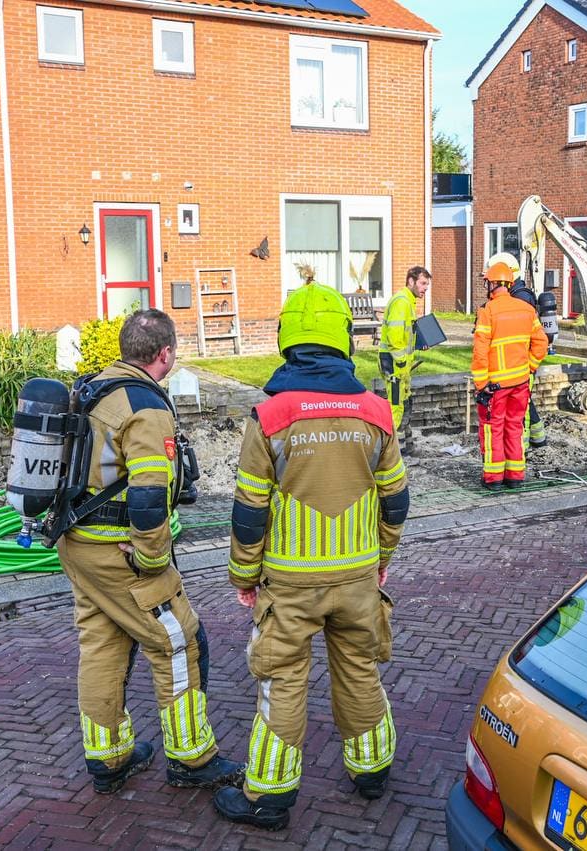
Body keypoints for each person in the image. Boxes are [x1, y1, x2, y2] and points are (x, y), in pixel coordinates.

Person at [214, 282, 409, 831]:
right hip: (356, 580)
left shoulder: (270, 415)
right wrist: (381, 558)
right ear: (343, 339)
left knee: (282, 680)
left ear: (286, 339)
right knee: (359, 670)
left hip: (291, 585)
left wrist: (243, 574)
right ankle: (371, 771)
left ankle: (269, 797)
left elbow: (249, 510)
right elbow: (396, 498)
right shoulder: (376, 410)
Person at [57, 309, 242, 795]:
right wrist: (152, 558)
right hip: (121, 551)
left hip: (77, 545)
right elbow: (147, 491)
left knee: (101, 644)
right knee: (179, 640)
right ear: (165, 354)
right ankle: (192, 758)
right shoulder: (145, 405)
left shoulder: (92, 389)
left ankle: (109, 757)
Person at [472, 261, 548, 489]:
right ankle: (515, 476)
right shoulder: (527, 309)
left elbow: (480, 351)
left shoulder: (488, 312)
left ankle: (494, 478)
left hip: (495, 385)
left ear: (493, 284)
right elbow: (541, 343)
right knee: (515, 427)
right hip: (520, 382)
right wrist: (530, 367)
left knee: (493, 428)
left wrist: (481, 383)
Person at [379, 266, 432, 454]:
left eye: (427, 284)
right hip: (394, 364)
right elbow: (394, 338)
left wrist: (419, 342)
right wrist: (401, 362)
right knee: (396, 407)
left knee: (405, 403)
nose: (425, 288)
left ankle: (406, 447)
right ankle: (393, 452)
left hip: (400, 365)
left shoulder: (407, 301)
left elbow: (404, 336)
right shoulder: (402, 302)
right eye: (423, 283)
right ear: (411, 281)